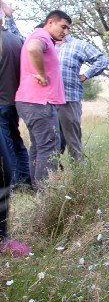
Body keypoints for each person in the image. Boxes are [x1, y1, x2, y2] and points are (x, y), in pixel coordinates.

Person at [15, 10, 70, 188]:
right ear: (50, 22)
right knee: (50, 148)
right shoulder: (42, 36)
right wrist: (40, 73)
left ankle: (37, 190)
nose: (65, 32)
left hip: (30, 102)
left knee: (39, 147)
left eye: (68, 29)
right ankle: (45, 195)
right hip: (39, 102)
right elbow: (32, 48)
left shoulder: (43, 37)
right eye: (63, 27)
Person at [0, 0, 30, 256]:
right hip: (14, 101)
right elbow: (20, 37)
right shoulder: (15, 40)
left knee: (7, 151)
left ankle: (15, 182)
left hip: (1, 103)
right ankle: (24, 181)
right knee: (16, 141)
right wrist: (10, 17)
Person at [56, 35, 108, 160]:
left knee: (73, 141)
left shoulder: (78, 45)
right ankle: (51, 176)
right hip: (47, 101)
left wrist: (86, 75)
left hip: (69, 99)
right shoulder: (47, 44)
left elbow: (102, 60)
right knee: (51, 141)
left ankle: (79, 176)